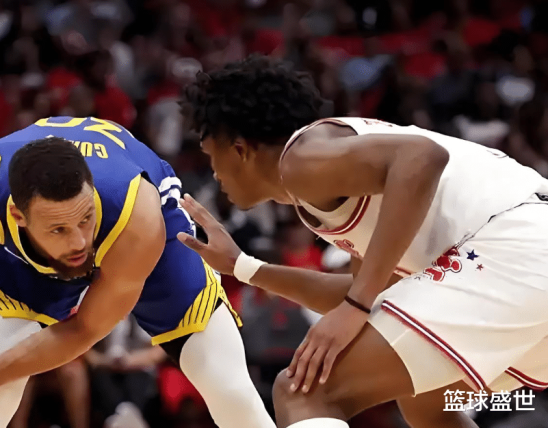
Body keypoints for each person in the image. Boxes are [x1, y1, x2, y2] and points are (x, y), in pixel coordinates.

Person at [176, 55, 548, 428]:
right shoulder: (339, 175)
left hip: (514, 248)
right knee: (425, 404)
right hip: (524, 264)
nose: (214, 173)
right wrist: (243, 266)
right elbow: (367, 293)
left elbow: (422, 157)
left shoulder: (300, 160)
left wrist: (357, 303)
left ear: (240, 149)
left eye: (211, 156)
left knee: (304, 391)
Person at [0, 116, 275, 428]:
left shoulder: (138, 220)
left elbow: (84, 329)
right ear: (16, 216)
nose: (79, 242)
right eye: (59, 228)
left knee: (229, 390)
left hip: (147, 237)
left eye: (85, 219)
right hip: (35, 249)